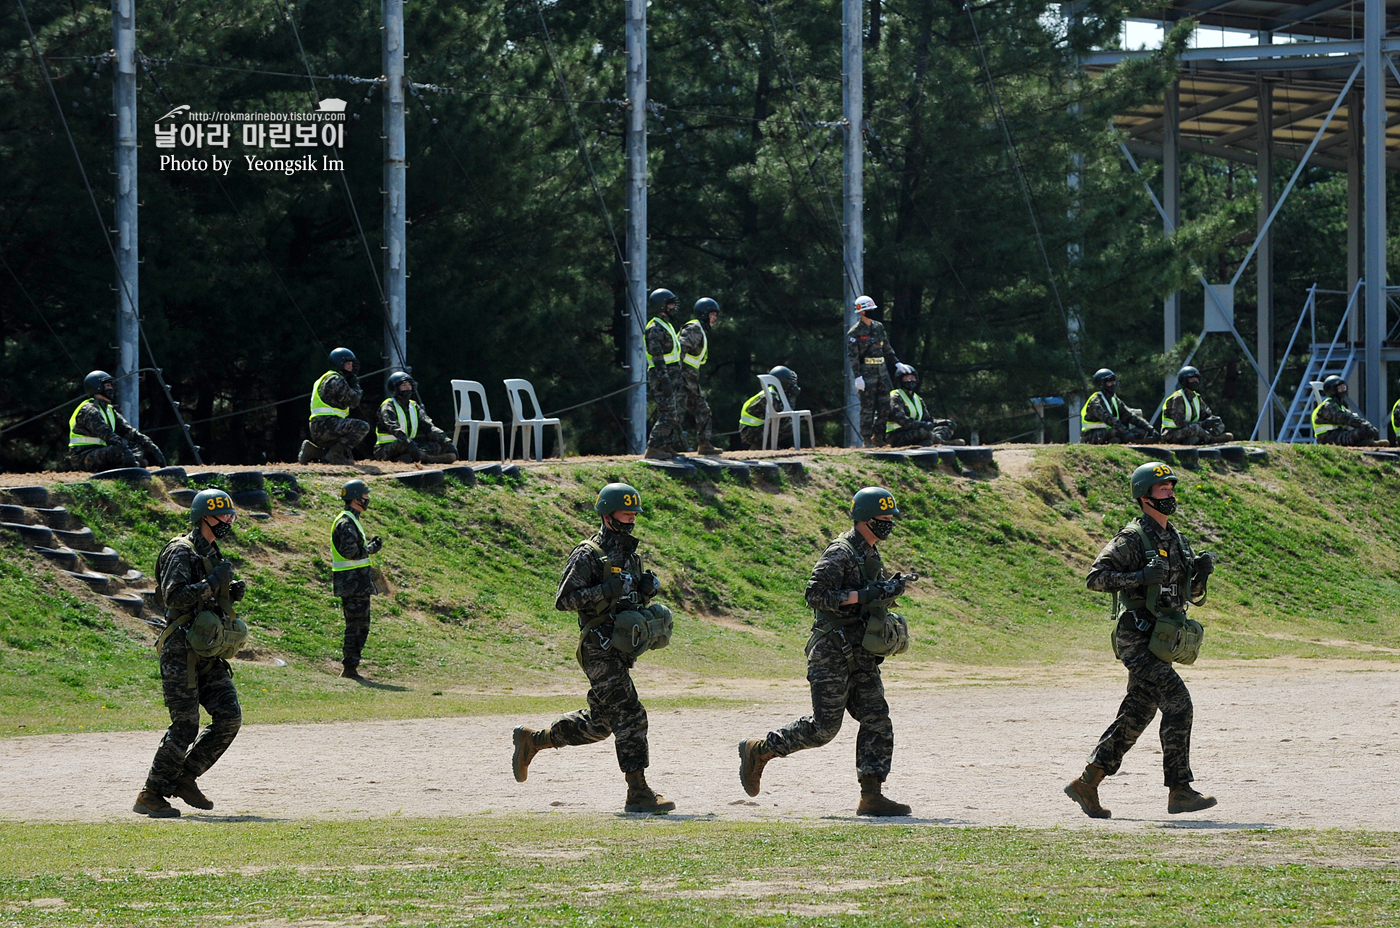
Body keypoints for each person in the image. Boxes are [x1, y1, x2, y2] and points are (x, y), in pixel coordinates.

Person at [737, 487, 912, 817]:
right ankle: (760, 751)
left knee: (877, 718)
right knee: (823, 728)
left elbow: (865, 597)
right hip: (831, 651)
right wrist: (862, 595)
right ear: (864, 519)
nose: (889, 523)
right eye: (884, 518)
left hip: (861, 652)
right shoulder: (840, 552)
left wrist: (887, 591)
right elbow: (815, 594)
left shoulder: (870, 554)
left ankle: (871, 794)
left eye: (891, 518)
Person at [1064, 462, 1218, 819]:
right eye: (1163, 489)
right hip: (1137, 640)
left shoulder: (1177, 539)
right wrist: (1139, 576)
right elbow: (1095, 578)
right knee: (1178, 702)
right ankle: (1179, 790)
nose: (1170, 494)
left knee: (1137, 714)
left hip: (1161, 639)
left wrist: (1201, 575)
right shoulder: (1132, 539)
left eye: (1171, 488)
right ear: (1144, 495)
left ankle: (1087, 782)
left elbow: (1189, 593)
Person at [511, 483, 675, 814]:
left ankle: (535, 740)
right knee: (630, 712)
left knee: (601, 723)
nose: (631, 519)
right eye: (625, 513)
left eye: (634, 514)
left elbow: (627, 600)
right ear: (607, 514)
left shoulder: (631, 556)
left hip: (622, 647)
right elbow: (564, 600)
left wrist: (646, 591)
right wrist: (603, 589)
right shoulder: (587, 554)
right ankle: (638, 793)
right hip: (598, 647)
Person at [133, 488, 246, 817]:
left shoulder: (212, 551)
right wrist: (212, 582)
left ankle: (184, 777)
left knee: (229, 716)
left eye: (231, 515)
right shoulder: (180, 551)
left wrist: (229, 591)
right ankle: (150, 794)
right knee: (185, 725)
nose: (229, 520)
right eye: (224, 515)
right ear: (204, 518)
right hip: (180, 650)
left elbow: (205, 599)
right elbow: (174, 598)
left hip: (206, 650)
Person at [332, 479, 383, 680]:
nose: (367, 499)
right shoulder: (346, 523)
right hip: (352, 585)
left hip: (356, 584)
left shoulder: (351, 520)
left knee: (360, 626)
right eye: (364, 496)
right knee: (356, 627)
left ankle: (351, 667)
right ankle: (349, 668)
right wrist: (371, 549)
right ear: (355, 498)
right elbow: (350, 552)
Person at [66, 370, 166, 471]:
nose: (111, 388)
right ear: (97, 387)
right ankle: (131, 465)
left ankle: (132, 464)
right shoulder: (89, 410)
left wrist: (151, 446)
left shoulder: (109, 409)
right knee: (116, 449)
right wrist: (126, 451)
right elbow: (107, 434)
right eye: (108, 385)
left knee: (137, 445)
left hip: (101, 452)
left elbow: (128, 431)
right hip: (84, 458)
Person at [299, 347, 372, 465]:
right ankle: (335, 455)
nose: (351, 367)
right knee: (362, 426)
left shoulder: (324, 378)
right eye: (348, 363)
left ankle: (312, 451)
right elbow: (354, 401)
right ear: (338, 363)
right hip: (327, 425)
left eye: (351, 364)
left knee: (348, 458)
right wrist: (355, 385)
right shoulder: (336, 379)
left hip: (320, 426)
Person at [846, 296, 900, 447]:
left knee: (885, 406)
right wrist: (858, 377)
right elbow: (853, 357)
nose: (871, 312)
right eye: (868, 309)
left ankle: (878, 436)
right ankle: (867, 439)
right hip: (867, 373)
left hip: (882, 372)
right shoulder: (854, 332)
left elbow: (886, 348)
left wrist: (897, 363)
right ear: (861, 312)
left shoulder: (878, 327)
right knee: (867, 407)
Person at [373, 371, 458, 464]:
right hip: (385, 449)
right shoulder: (388, 405)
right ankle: (429, 459)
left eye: (409, 384)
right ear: (394, 388)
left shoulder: (414, 406)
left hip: (410, 446)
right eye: (403, 385)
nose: (407, 387)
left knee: (439, 445)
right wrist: (409, 443)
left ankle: (412, 458)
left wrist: (446, 441)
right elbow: (393, 427)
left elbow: (429, 427)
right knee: (405, 444)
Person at [644, 289, 686, 459]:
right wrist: (664, 380)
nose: (673, 307)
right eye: (670, 304)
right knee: (667, 413)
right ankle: (654, 446)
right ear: (661, 305)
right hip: (662, 376)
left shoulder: (666, 324)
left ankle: (666, 446)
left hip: (672, 375)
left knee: (674, 412)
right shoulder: (655, 328)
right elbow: (657, 356)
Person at [678, 298, 721, 456]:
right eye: (712, 314)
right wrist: (675, 375)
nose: (714, 318)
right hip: (682, 379)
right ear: (703, 314)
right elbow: (681, 349)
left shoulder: (700, 330)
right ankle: (660, 446)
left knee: (703, 410)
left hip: (691, 381)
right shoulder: (695, 328)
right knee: (677, 412)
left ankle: (705, 444)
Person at [886, 363, 960, 447]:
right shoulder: (895, 396)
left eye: (912, 377)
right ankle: (944, 443)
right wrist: (922, 424)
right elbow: (901, 420)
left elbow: (928, 420)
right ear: (900, 380)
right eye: (907, 378)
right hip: (897, 434)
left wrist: (945, 422)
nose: (910, 380)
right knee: (924, 431)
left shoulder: (917, 399)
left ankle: (929, 442)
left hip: (915, 432)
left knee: (946, 428)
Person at [1080, 368, 1159, 444]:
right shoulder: (1096, 401)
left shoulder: (1114, 399)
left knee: (1141, 432)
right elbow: (1109, 419)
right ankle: (1122, 441)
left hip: (1110, 432)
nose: (1113, 384)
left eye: (1114, 381)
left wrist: (1150, 428)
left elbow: (1129, 415)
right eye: (1110, 382)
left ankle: (1124, 441)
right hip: (1091, 435)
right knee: (1117, 432)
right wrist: (1125, 431)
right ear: (1101, 384)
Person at [1160, 366, 1232, 445]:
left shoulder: (1196, 397)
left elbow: (1206, 414)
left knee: (1217, 423)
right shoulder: (1178, 398)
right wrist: (1203, 424)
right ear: (1184, 381)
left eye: (1196, 379)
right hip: (1172, 433)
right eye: (1192, 379)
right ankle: (1212, 439)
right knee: (1195, 428)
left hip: (1190, 430)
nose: (1195, 381)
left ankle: (1201, 438)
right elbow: (1180, 423)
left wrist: (1212, 420)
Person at [739, 366, 800, 450]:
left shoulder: (773, 392)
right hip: (750, 432)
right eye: (789, 381)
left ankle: (763, 446)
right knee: (789, 426)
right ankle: (760, 446)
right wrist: (792, 397)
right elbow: (785, 417)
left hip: (754, 429)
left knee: (787, 424)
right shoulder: (770, 397)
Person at [1313, 375, 1386, 447]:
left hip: (1337, 434)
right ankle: (1370, 444)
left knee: (1364, 430)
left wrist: (1367, 426)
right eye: (1340, 388)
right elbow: (1346, 418)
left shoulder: (1340, 406)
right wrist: (1366, 425)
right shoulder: (1328, 406)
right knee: (1362, 431)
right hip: (1328, 438)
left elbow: (1352, 416)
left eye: (1344, 387)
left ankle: (1368, 443)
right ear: (1332, 390)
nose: (1343, 390)